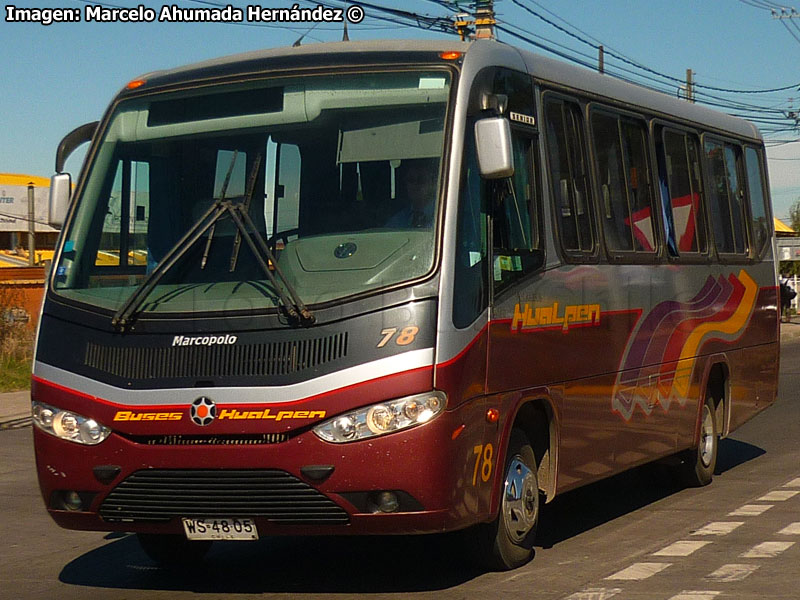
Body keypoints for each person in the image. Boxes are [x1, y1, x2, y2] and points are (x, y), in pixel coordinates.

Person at [385, 158, 438, 228]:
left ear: (433, 184)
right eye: (411, 180)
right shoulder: (399, 220)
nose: (415, 185)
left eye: (421, 180)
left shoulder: (445, 214)